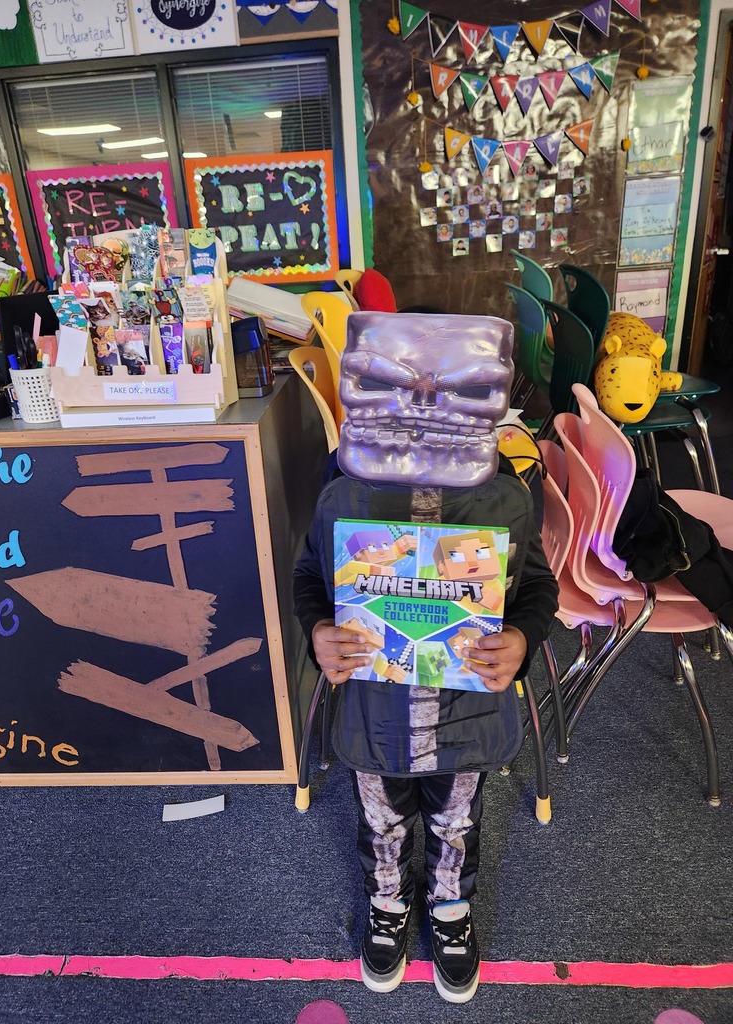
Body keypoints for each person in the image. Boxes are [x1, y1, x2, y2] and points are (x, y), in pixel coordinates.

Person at [293, 312, 559, 1004]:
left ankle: (449, 903)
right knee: (381, 816)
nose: (422, 406)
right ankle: (387, 899)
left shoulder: (506, 498)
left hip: (465, 711)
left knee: (456, 818)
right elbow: (310, 576)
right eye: (393, 385)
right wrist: (319, 629)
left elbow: (537, 588)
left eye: (460, 390)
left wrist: (522, 639)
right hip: (374, 710)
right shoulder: (343, 491)